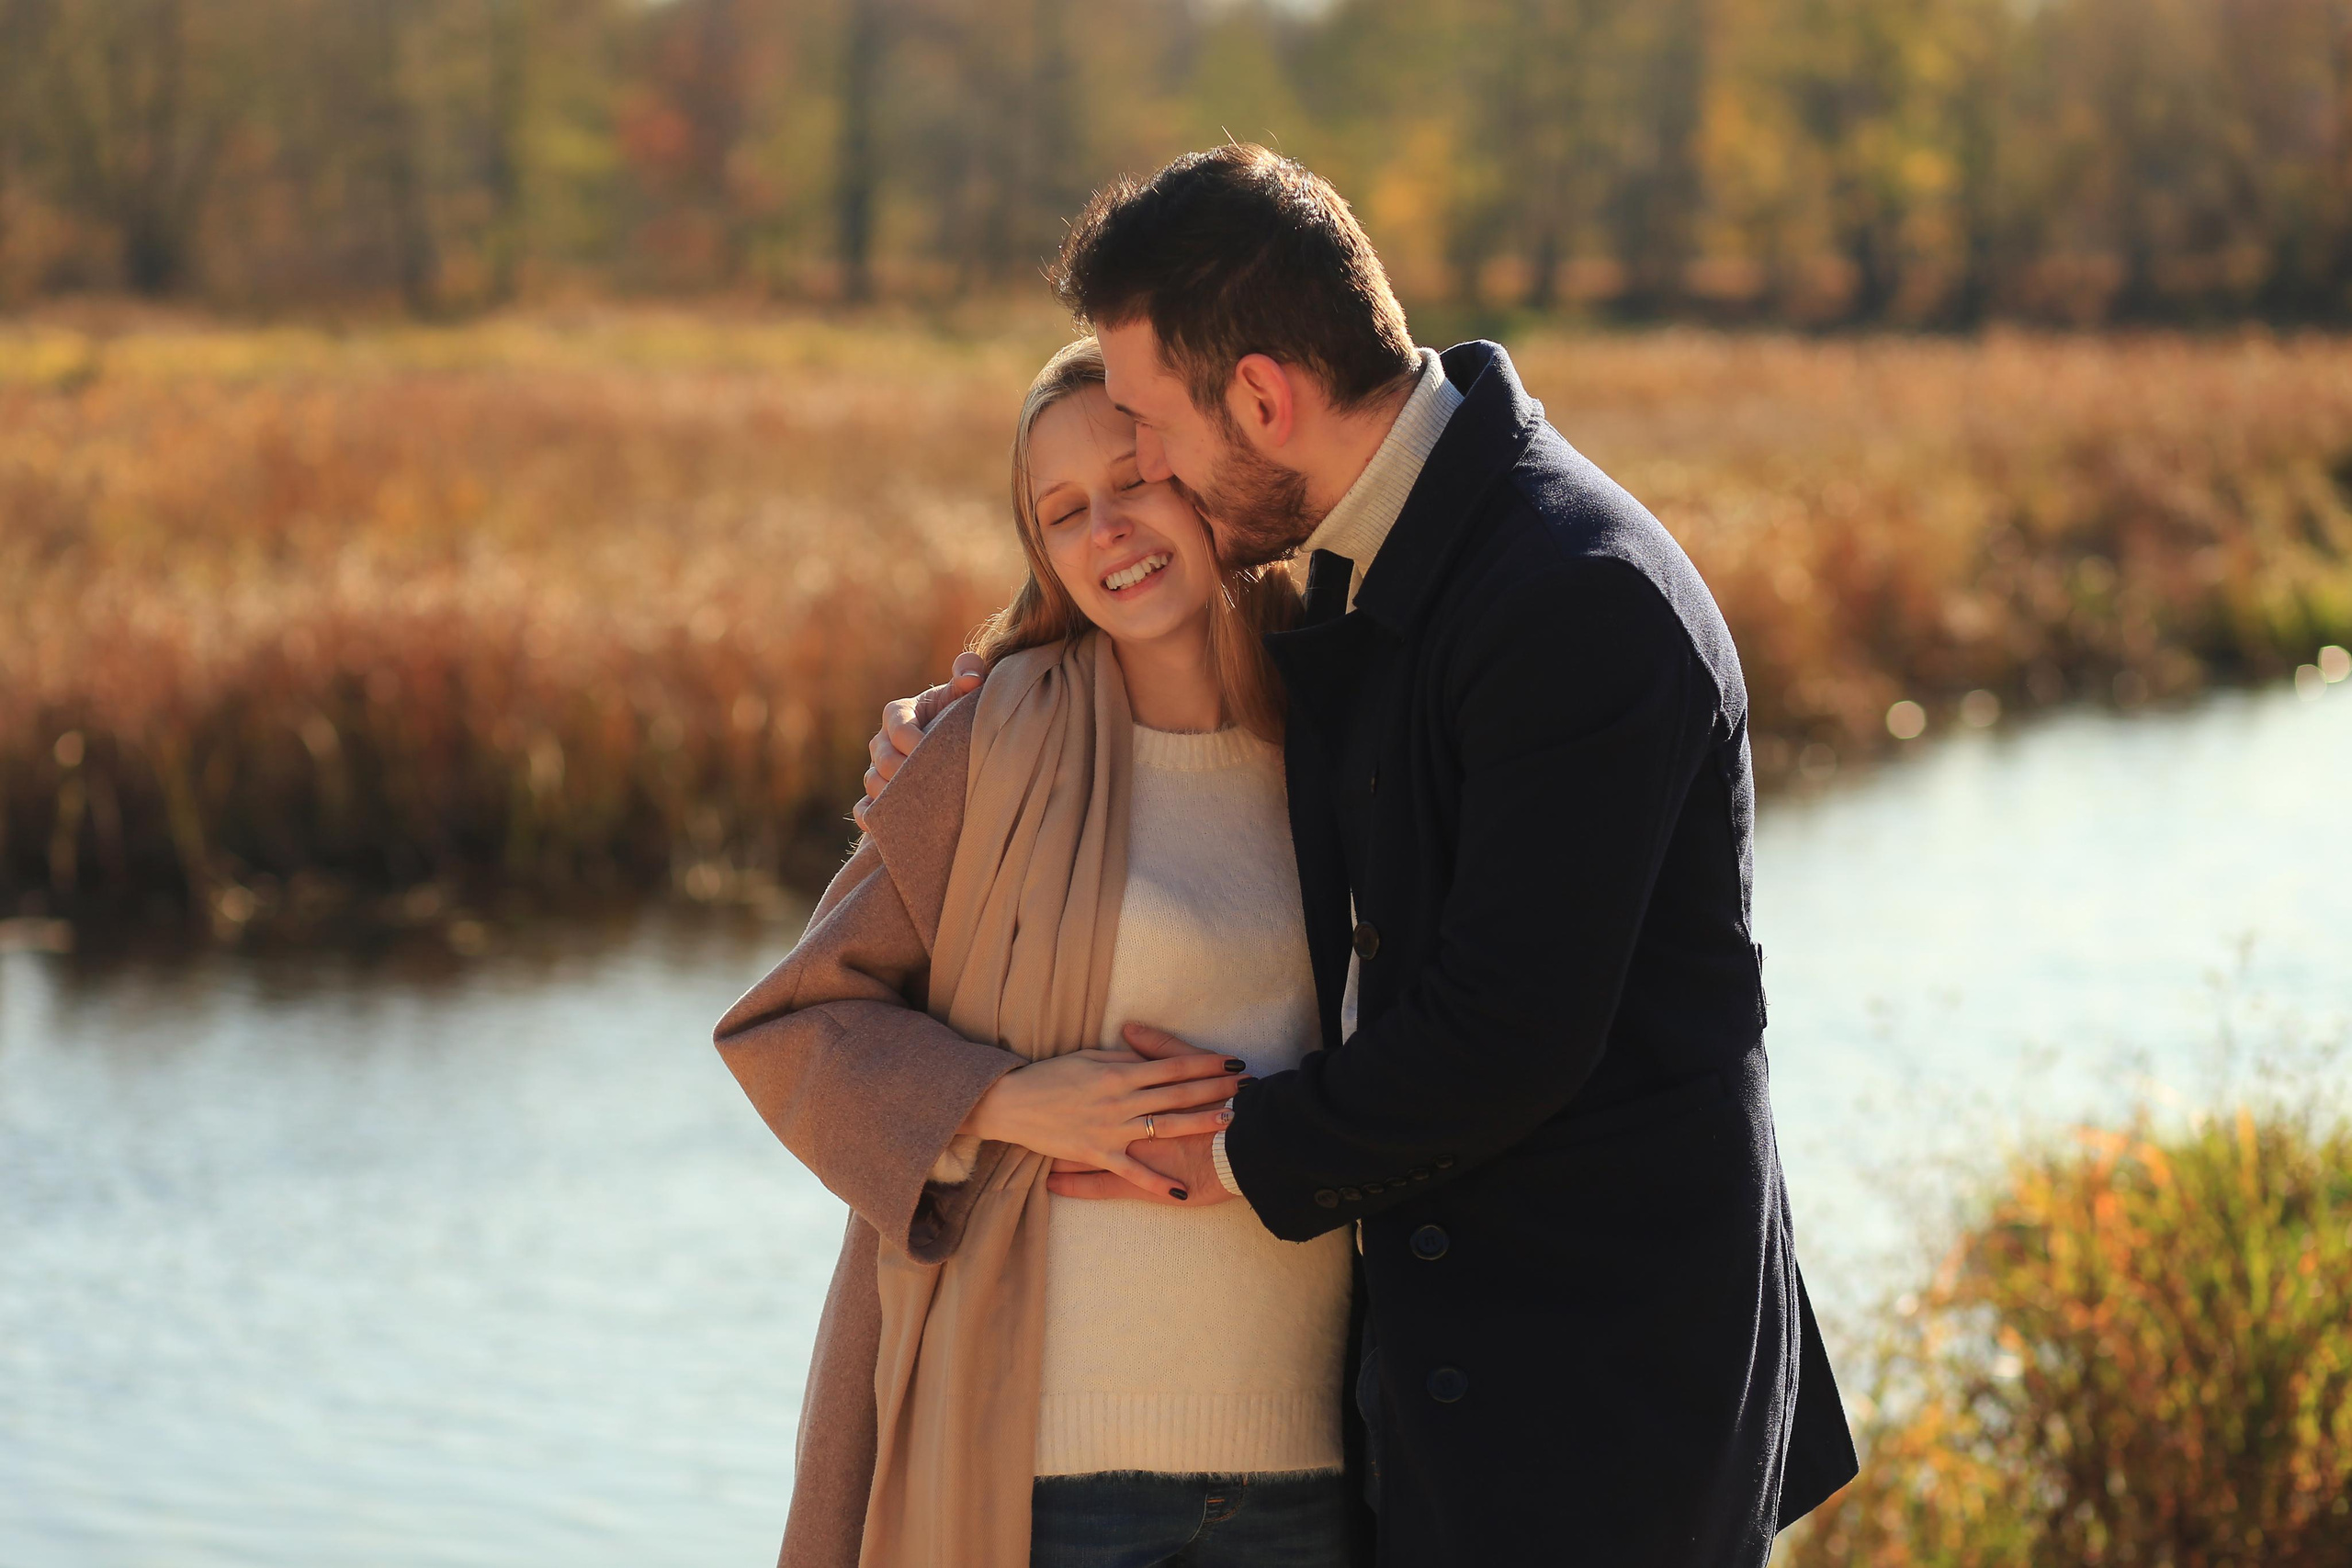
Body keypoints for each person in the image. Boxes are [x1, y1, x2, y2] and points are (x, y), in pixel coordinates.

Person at [862, 145, 1860, 1566]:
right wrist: (964, 723)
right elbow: (1153, 637)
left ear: (1263, 397)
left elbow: (1506, 1032)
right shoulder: (1376, 560)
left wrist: (1218, 1147)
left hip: (1602, 1428)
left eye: (1146, 423)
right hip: (1446, 1425)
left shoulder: (1573, 599)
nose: (1140, 461)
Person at [714, 337, 1369, 1568]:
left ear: (1210, 476)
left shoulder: (1350, 740)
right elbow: (790, 1027)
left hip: (1316, 1466)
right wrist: (1010, 1101)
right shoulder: (986, 749)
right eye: (1062, 512)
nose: (1107, 528)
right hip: (1061, 1478)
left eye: (1136, 480)